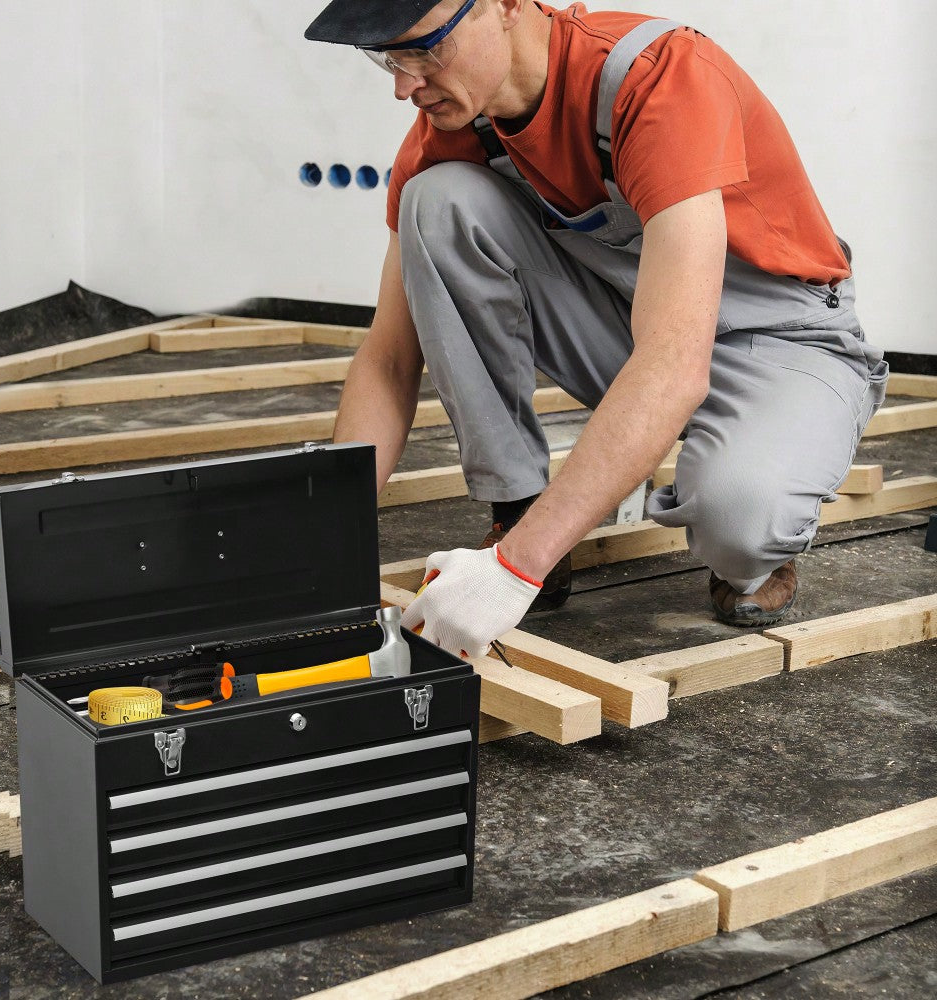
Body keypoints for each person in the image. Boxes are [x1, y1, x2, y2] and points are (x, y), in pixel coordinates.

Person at [304, 0, 888, 658]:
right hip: (638, 326)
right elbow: (387, 360)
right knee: (435, 202)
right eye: (386, 57)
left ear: (503, 6)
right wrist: (325, 542)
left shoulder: (660, 78)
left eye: (422, 50)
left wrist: (511, 571)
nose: (403, 84)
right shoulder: (453, 128)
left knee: (741, 516)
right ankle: (520, 509)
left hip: (781, 341)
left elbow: (674, 366)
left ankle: (746, 556)